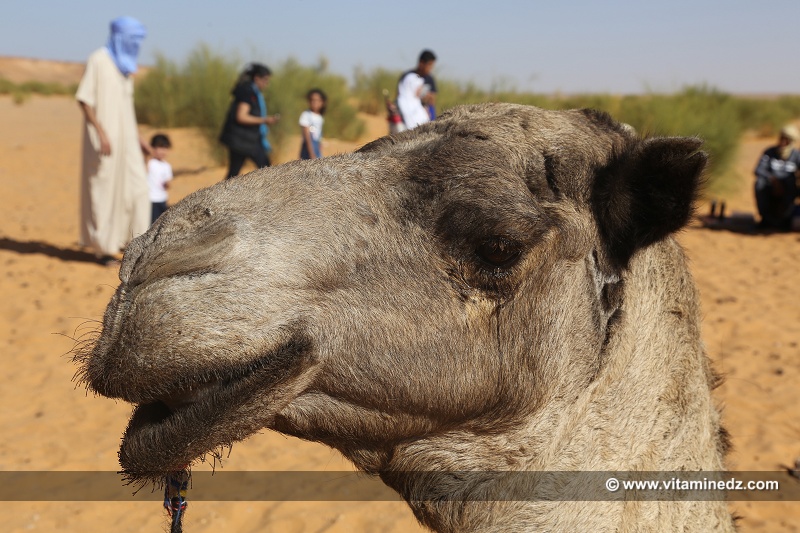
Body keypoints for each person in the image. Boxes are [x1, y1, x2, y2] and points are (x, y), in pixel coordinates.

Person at [76, 16, 151, 265]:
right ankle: (104, 249)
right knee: (104, 192)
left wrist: (138, 138)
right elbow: (84, 100)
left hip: (127, 141)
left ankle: (134, 244)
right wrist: (100, 132)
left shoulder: (126, 68)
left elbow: (125, 110)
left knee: (139, 189)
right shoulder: (98, 60)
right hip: (104, 141)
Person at [219, 63, 280, 179]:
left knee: (233, 173)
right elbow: (241, 116)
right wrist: (265, 120)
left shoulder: (252, 92)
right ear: (257, 78)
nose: (267, 84)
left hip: (246, 139)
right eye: (265, 80)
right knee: (267, 170)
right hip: (243, 140)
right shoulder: (247, 92)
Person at [754, 124, 800, 230]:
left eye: (786, 140)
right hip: (770, 186)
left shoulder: (796, 155)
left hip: (789, 189)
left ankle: (786, 218)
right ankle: (765, 219)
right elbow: (758, 170)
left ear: (791, 141)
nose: (782, 142)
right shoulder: (770, 152)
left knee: (790, 182)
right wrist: (773, 180)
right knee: (759, 183)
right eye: (781, 138)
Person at [396, 49, 436, 130]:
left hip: (424, 113)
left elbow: (433, 100)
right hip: (407, 113)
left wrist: (426, 97)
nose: (430, 68)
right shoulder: (408, 76)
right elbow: (400, 95)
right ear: (421, 63)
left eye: (432, 66)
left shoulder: (429, 79)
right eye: (429, 65)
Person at [147, 133, 173, 224]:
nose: (163, 151)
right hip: (150, 199)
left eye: (165, 148)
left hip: (162, 199)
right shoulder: (150, 163)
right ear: (153, 148)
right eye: (160, 147)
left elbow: (168, 182)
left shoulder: (167, 166)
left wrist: (167, 184)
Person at [299, 88, 326, 160]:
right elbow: (307, 135)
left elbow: (319, 135)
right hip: (308, 149)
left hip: (316, 148)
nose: (314, 102)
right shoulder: (306, 115)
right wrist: (311, 153)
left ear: (322, 102)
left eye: (317, 100)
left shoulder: (320, 117)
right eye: (312, 100)